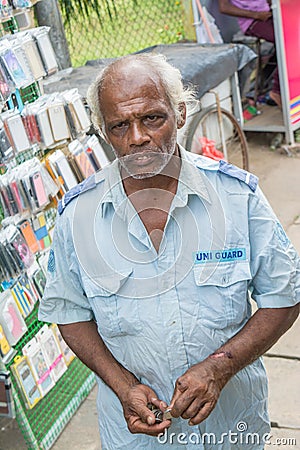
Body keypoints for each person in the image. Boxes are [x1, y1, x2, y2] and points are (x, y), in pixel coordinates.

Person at [38, 53, 299, 449]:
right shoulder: (78, 216)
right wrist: (123, 385)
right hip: (135, 438)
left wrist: (219, 368)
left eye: (152, 118)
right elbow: (70, 314)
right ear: (103, 132)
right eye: (120, 125)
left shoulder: (236, 196)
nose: (138, 137)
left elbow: (284, 296)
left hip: (231, 430)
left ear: (180, 114)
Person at [218, 0, 281, 107]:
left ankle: (278, 86)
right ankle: (277, 91)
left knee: (290, 38)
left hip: (270, 13)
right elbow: (224, 7)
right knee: (286, 40)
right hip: (253, 20)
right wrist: (256, 15)